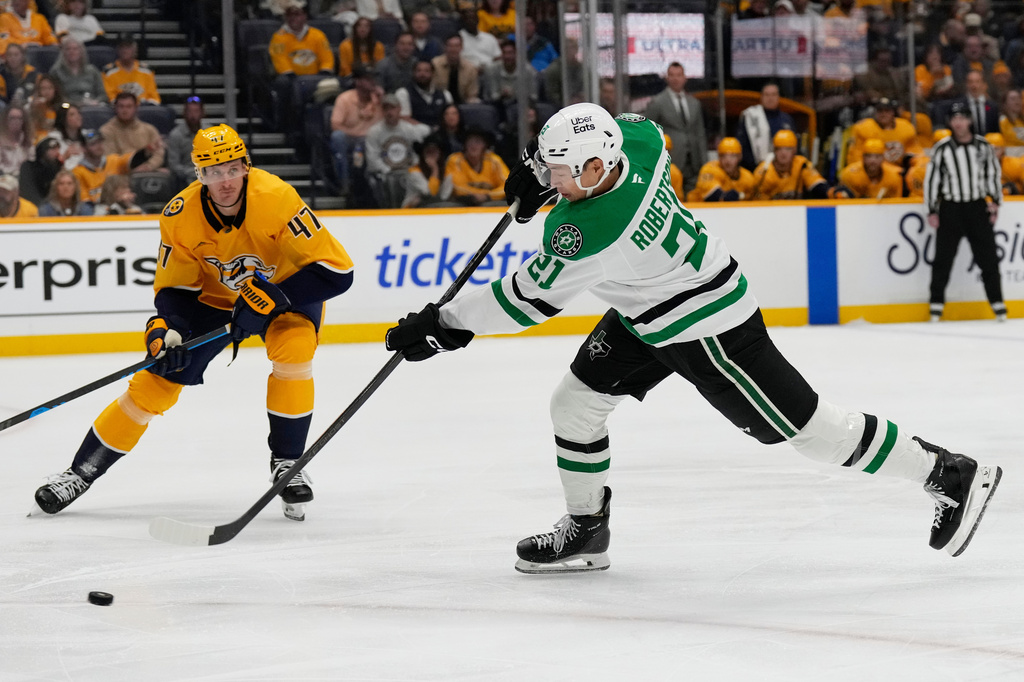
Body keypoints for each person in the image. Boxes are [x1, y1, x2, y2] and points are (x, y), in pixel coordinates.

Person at [383, 103, 1004, 574]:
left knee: (810, 431)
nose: (553, 179)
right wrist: (538, 173)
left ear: (596, 169)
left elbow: (522, 300)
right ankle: (586, 528)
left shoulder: (590, 231)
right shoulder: (640, 145)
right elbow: (631, 126)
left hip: (709, 329)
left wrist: (441, 325)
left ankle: (948, 473)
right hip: (648, 310)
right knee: (574, 404)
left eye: (561, 172)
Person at [33, 124, 356, 523]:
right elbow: (175, 291)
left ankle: (288, 463)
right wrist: (164, 327)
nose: (224, 181)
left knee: (295, 350)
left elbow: (337, 272)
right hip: (216, 302)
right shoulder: (180, 215)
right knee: (154, 384)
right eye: (213, 172)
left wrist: (274, 296)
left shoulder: (277, 197)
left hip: (283, 293)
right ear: (198, 175)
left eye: (231, 169)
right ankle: (79, 473)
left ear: (246, 166)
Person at [924, 101, 1005, 323]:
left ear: (969, 120)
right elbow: (932, 180)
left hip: (977, 207)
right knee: (943, 259)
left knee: (988, 258)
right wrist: (932, 209)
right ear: (950, 122)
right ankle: (936, 305)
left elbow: (992, 175)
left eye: (962, 118)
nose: (958, 123)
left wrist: (995, 201)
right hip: (951, 208)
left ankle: (998, 303)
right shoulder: (942, 148)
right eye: (954, 119)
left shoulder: (983, 146)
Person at [644, 62, 706, 194]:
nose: (675, 79)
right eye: (672, 75)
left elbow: (700, 134)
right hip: (671, 161)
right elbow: (649, 132)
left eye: (679, 75)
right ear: (667, 78)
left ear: (685, 77)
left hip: (694, 163)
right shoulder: (657, 102)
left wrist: (704, 162)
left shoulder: (694, 103)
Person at [364, 93, 430, 207]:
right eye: (386, 109)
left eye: (392, 108)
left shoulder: (408, 128)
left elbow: (427, 130)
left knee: (425, 188)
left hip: (409, 170)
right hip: (386, 172)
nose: (389, 112)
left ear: (399, 109)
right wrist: (388, 170)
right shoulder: (374, 132)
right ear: (382, 111)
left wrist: (409, 120)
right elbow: (372, 160)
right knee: (393, 182)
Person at [328, 64, 383, 195]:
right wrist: (357, 134)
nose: (372, 82)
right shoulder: (345, 98)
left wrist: (382, 100)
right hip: (352, 138)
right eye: (367, 79)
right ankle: (345, 182)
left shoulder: (380, 98)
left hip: (374, 140)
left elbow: (390, 120)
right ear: (357, 81)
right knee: (337, 137)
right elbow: (335, 125)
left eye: (373, 78)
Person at [752, 129, 828, 200]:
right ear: (774, 150)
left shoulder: (802, 164)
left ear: (794, 150)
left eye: (788, 149)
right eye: (779, 149)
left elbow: (817, 184)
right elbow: (759, 205)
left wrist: (831, 192)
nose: (783, 153)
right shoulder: (764, 172)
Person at [735, 82, 795, 171]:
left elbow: (794, 146)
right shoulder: (751, 117)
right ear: (761, 97)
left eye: (773, 94)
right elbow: (742, 146)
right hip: (755, 170)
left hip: (782, 171)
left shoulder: (787, 119)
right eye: (767, 95)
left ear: (778, 97)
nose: (770, 98)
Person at [440, 126, 507, 205]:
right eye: (470, 141)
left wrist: (488, 195)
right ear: (464, 145)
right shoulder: (454, 160)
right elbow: (456, 186)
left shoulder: (494, 161)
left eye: (478, 142)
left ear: (485, 145)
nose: (473, 145)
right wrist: (476, 195)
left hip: (490, 201)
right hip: (462, 203)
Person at [100, 91, 165, 172]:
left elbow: (159, 153)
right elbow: (110, 159)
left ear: (136, 108)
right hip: (120, 173)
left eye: (129, 106)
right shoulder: (106, 130)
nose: (125, 110)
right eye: (121, 106)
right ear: (115, 108)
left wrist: (149, 166)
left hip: (147, 171)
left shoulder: (149, 129)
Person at [72, 127, 133, 206]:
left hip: (119, 207)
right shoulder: (77, 172)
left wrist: (146, 152)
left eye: (99, 142)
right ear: (83, 148)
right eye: (93, 144)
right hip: (94, 213)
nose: (98, 146)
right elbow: (85, 203)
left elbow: (132, 160)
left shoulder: (114, 160)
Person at [687, 137, 755, 203]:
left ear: (739, 157)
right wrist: (726, 196)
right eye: (723, 156)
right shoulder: (710, 169)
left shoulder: (748, 178)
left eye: (732, 156)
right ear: (719, 157)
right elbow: (713, 196)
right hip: (696, 210)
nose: (728, 161)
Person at [830, 138, 903, 199]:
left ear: (883, 158)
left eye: (877, 157)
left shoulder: (894, 176)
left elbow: (896, 202)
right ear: (863, 157)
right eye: (869, 156)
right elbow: (843, 200)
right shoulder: (849, 174)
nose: (873, 161)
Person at [102, 34, 161, 105]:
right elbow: (109, 98)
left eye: (128, 47)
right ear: (117, 49)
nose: (125, 50)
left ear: (135, 49)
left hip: (143, 109)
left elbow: (154, 98)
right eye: (122, 47)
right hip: (119, 110)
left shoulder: (147, 71)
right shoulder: (108, 72)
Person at [394, 59, 452, 129]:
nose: (422, 74)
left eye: (426, 71)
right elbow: (404, 119)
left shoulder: (445, 94)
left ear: (433, 73)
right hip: (415, 135)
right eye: (419, 71)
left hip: (441, 135)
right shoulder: (403, 93)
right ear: (413, 73)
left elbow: (451, 117)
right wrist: (428, 130)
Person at [49, 36, 107, 106]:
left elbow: (103, 94)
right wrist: (76, 104)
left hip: (91, 105)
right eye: (68, 49)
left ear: (81, 51)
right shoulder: (56, 72)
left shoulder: (92, 70)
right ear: (63, 52)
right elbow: (56, 96)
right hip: (67, 106)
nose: (72, 51)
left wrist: (96, 101)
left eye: (75, 49)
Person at [167, 96, 206, 190]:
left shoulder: (209, 133)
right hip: (184, 179)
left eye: (196, 111)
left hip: (208, 175)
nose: (193, 115)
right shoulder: (175, 135)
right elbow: (174, 165)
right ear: (184, 114)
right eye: (190, 111)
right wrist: (194, 173)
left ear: (202, 113)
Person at [431, 34, 479, 105]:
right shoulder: (434, 64)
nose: (453, 49)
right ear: (445, 47)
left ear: (461, 47)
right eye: (450, 46)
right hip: (439, 103)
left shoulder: (470, 68)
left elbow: (472, 94)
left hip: (463, 104)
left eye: (457, 46)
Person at [19, 135, 62, 204]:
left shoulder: (58, 168)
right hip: (31, 203)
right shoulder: (29, 167)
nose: (57, 152)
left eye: (58, 149)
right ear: (42, 150)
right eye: (53, 149)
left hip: (52, 206)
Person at [404, 137, 444, 207]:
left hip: (436, 207)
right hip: (411, 209)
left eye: (434, 151)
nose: (431, 155)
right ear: (422, 154)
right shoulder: (414, 172)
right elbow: (431, 193)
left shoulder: (444, 169)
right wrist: (435, 169)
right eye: (428, 152)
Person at [0, 104, 34, 176]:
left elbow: (31, 162)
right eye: (12, 118)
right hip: (4, 178)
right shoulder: (1, 140)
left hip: (24, 178)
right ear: (6, 120)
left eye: (19, 118)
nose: (16, 121)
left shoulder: (27, 141)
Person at [50, 101, 85, 169]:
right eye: (72, 114)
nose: (78, 117)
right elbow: (50, 166)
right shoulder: (54, 138)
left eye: (78, 113)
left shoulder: (86, 136)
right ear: (63, 119)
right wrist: (65, 156)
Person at [27, 74, 61, 140]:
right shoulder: (32, 104)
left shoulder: (60, 107)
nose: (47, 92)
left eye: (50, 88)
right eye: (43, 88)